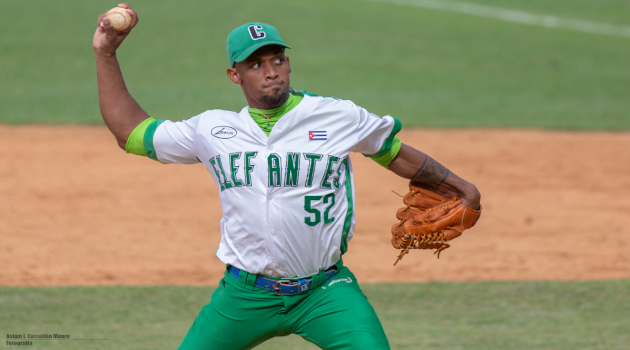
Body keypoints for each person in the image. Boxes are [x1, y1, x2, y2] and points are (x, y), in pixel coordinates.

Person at [93, 4, 481, 350]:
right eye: (256, 64)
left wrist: (460, 186)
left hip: (325, 293)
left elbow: (392, 152)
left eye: (277, 60)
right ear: (235, 75)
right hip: (244, 295)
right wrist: (106, 52)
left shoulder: (335, 116)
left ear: (289, 63)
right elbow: (131, 133)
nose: (270, 72)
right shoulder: (212, 130)